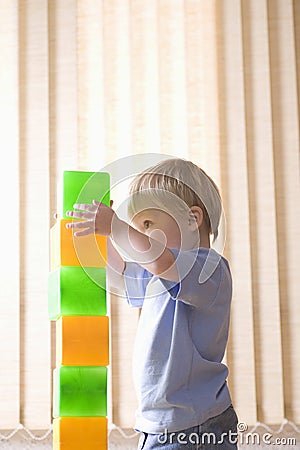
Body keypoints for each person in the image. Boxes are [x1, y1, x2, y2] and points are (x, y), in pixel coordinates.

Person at [66, 157, 238, 449]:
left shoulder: (210, 270)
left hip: (195, 425)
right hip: (160, 422)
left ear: (191, 218)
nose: (141, 234)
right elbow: (118, 275)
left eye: (148, 223)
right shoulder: (160, 274)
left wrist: (116, 227)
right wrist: (89, 232)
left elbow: (159, 260)